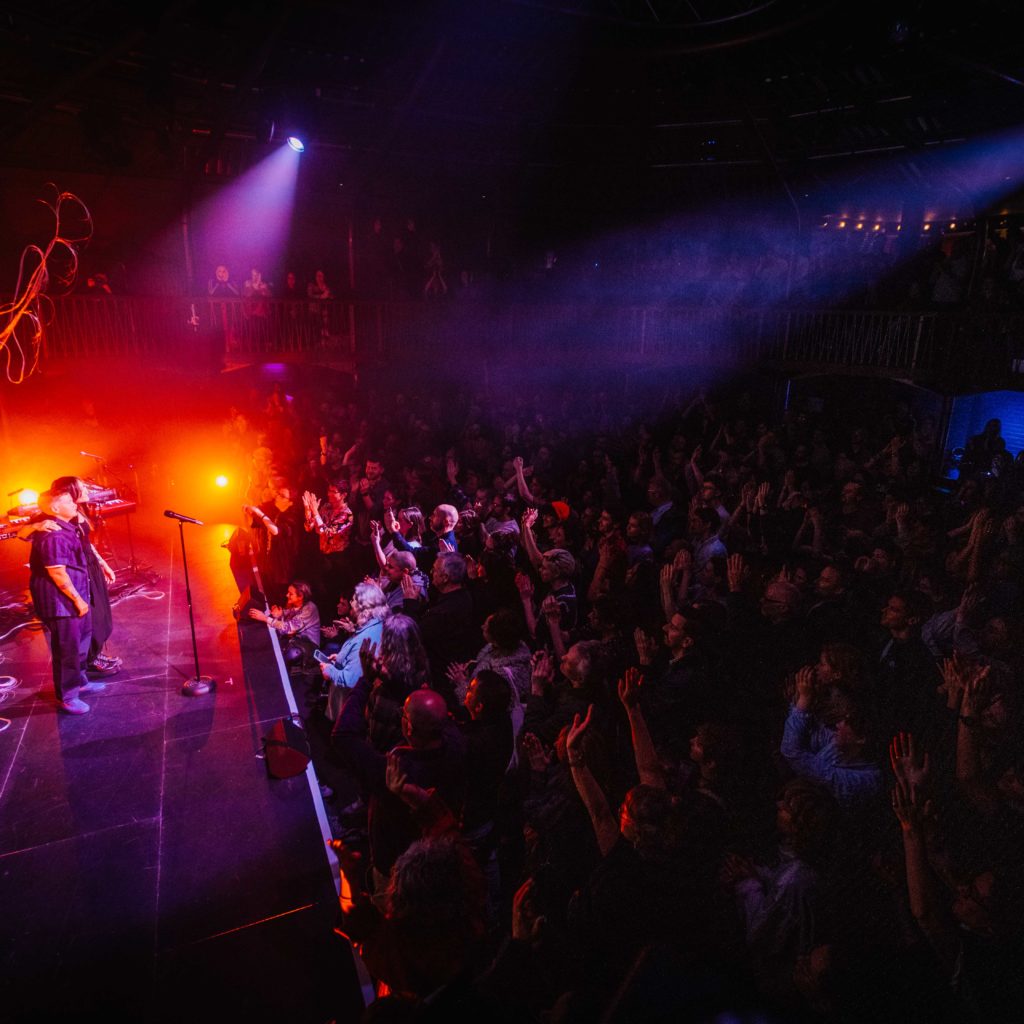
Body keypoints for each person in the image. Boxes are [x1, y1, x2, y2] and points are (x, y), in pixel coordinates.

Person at [28, 481, 107, 714]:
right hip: (61, 603)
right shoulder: (53, 535)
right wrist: (78, 601)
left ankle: (80, 682)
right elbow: (57, 572)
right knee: (67, 649)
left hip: (75, 595)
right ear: (54, 509)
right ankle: (68, 696)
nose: (75, 503)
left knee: (82, 643)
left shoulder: (67, 526)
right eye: (69, 501)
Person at [248, 580, 320, 666]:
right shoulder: (295, 605)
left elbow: (289, 628)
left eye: (290, 594)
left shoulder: (309, 609)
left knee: (291, 654)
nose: (287, 595)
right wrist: (279, 614)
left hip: (308, 646)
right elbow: (286, 618)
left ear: (300, 596)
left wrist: (265, 618)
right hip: (294, 640)